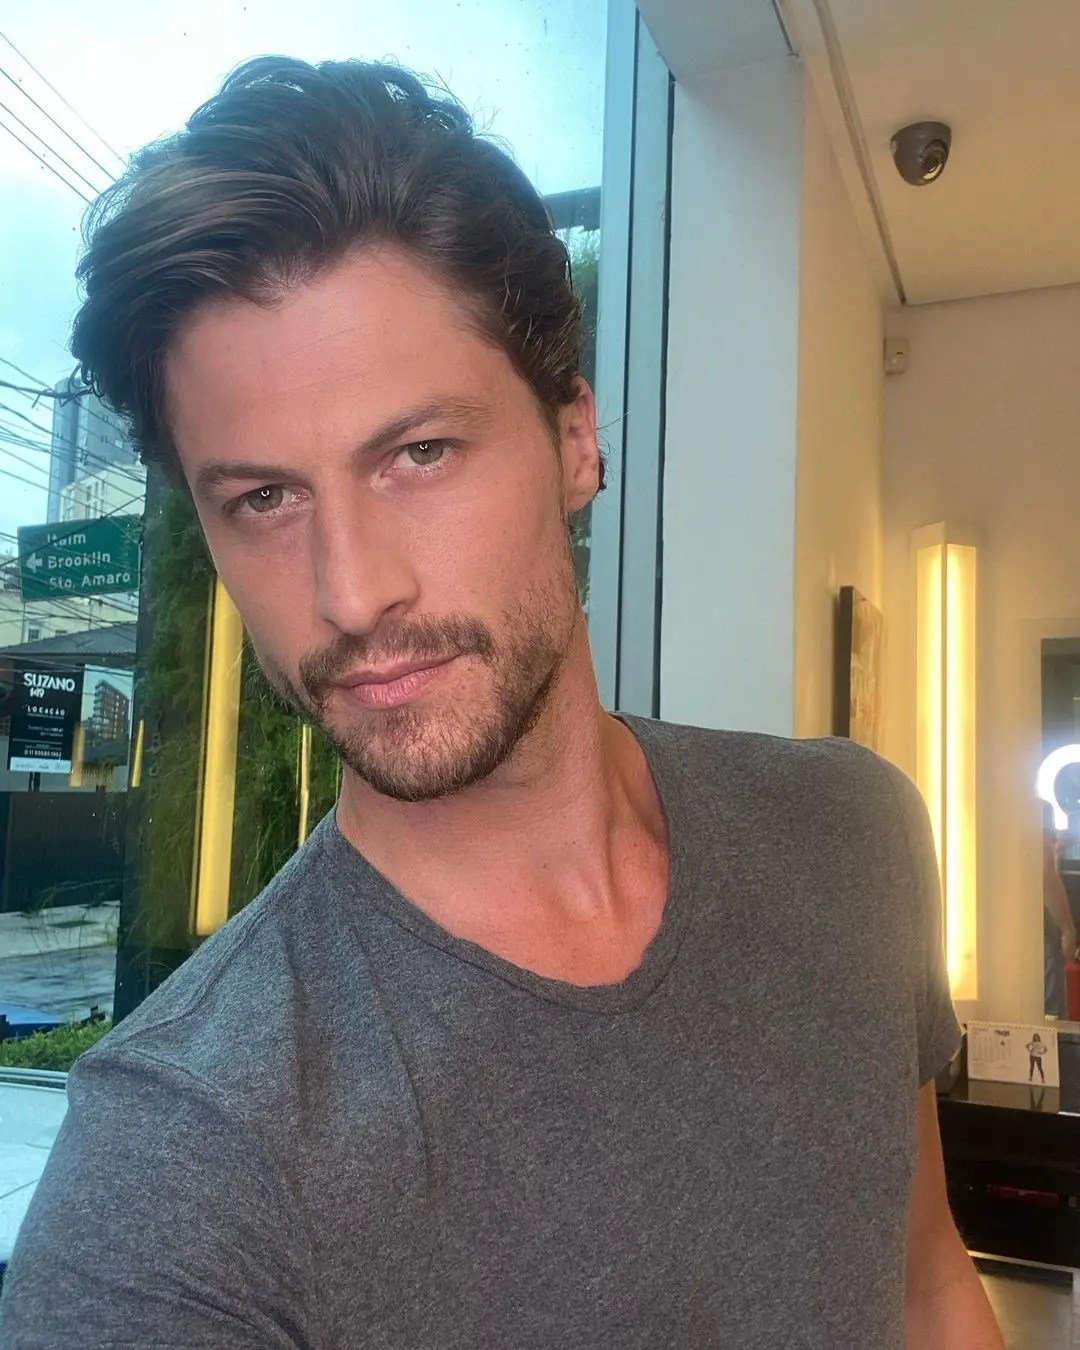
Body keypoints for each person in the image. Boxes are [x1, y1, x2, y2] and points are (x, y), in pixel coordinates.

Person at [0, 57, 1002, 1350]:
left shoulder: (852, 834)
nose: (352, 592)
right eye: (264, 498)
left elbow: (925, 1284)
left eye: (419, 453)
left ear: (576, 438)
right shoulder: (176, 1172)